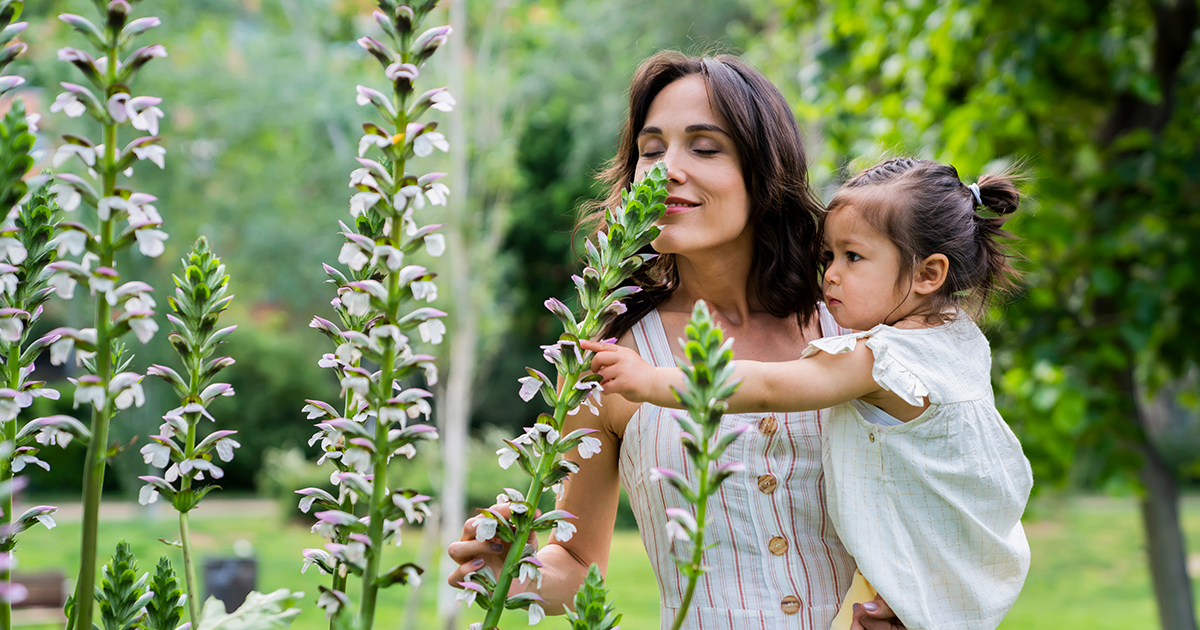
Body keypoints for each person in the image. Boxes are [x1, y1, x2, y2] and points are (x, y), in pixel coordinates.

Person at [447, 51, 907, 630]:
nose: (668, 170)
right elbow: (577, 559)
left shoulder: (861, 329)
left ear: (763, 170)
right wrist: (514, 569)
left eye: (705, 147)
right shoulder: (608, 357)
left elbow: (952, 481)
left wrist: (910, 596)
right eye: (652, 150)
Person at [585, 157, 1034, 630]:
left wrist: (653, 381)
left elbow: (769, 387)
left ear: (928, 274)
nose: (832, 276)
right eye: (828, 258)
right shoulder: (958, 340)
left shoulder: (883, 359)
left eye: (853, 257)